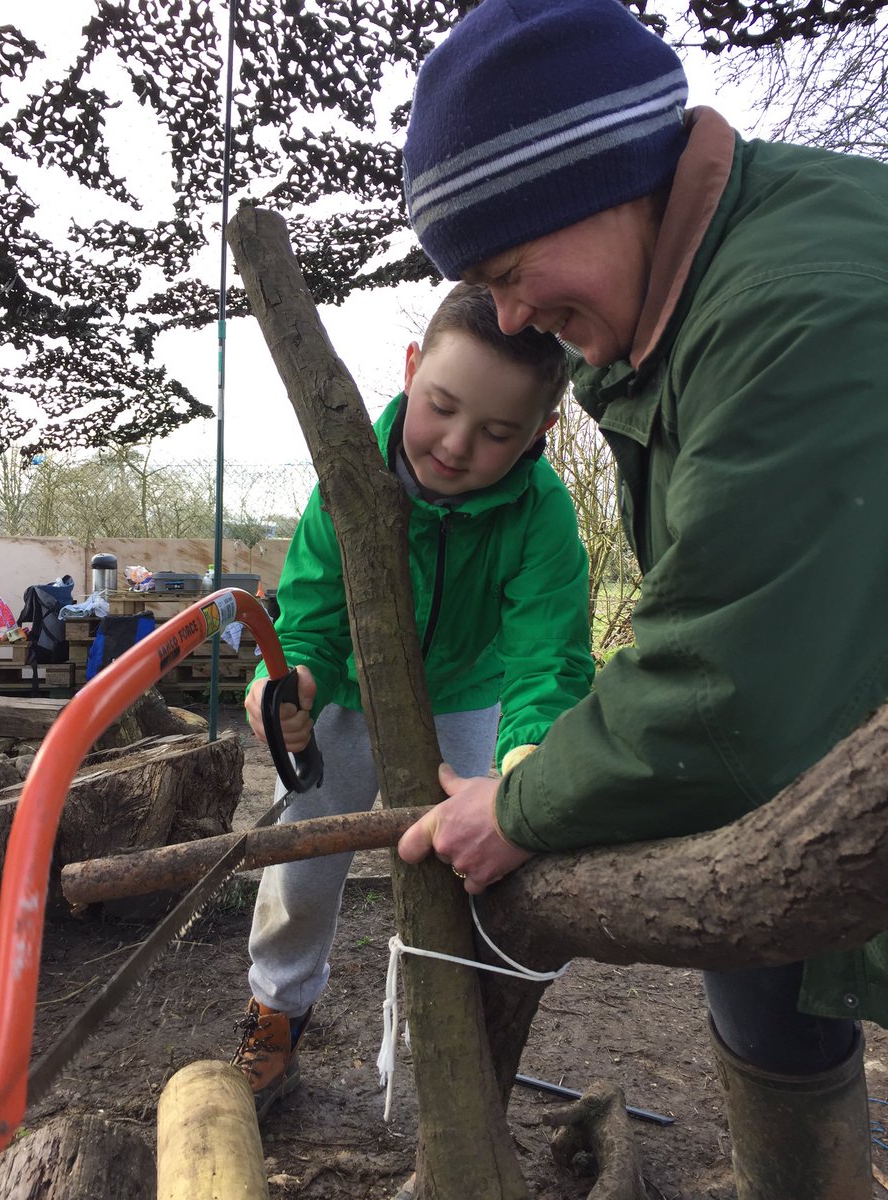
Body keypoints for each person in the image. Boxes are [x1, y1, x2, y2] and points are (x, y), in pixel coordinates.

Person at [395, 1, 888, 1196]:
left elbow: (729, 688)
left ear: (605, 178)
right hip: (836, 733)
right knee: (764, 934)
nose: (512, 318)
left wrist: (518, 804)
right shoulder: (673, 320)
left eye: (514, 271)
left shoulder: (791, 317)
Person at [231, 281, 595, 1117]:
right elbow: (312, 616)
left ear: (542, 432)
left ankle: (454, 1035)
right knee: (302, 863)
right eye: (441, 407)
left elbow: (549, 656)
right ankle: (275, 1015)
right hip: (352, 696)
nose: (459, 445)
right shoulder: (349, 478)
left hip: (469, 703)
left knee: (470, 867)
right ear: (410, 367)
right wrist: (294, 687)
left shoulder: (542, 514)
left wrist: (526, 760)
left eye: (499, 432)